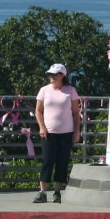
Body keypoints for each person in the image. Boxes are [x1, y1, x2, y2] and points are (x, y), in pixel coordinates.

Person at [33, 63, 81, 203]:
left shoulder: (70, 91)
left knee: (62, 162)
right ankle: (42, 192)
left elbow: (76, 113)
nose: (51, 77)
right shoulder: (44, 90)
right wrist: (42, 127)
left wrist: (77, 131)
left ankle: (57, 191)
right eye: (50, 74)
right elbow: (38, 111)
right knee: (48, 161)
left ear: (62, 76)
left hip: (66, 132)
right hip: (49, 133)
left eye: (54, 74)